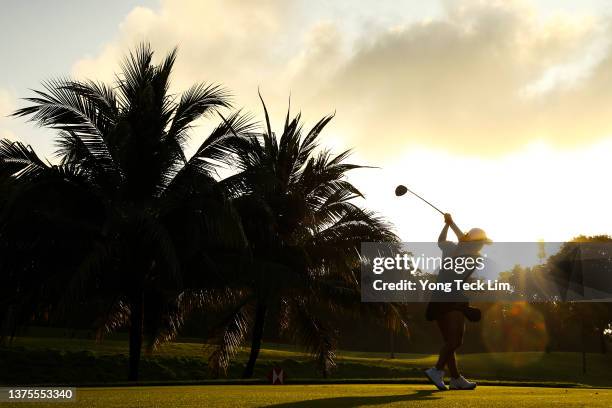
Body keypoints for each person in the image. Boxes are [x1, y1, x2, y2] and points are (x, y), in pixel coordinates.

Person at [424, 213, 491, 391]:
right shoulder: (470, 254)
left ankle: (455, 378)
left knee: (449, 341)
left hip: (438, 296)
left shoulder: (457, 251)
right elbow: (458, 243)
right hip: (452, 298)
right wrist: (450, 223)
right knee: (455, 341)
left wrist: (448, 224)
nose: (483, 245)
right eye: (481, 242)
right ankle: (437, 370)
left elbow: (441, 241)